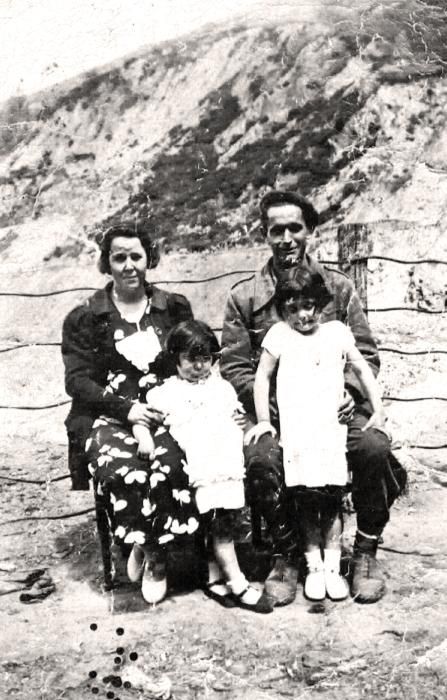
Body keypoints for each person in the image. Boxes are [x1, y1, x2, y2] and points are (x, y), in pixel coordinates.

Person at [220, 189, 407, 606]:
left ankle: (365, 552)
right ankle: (287, 555)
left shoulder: (338, 288)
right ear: (264, 234)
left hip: (335, 411)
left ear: (310, 232)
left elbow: (365, 355)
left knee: (373, 447)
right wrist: (276, 408)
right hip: (275, 413)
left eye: (295, 228)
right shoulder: (244, 297)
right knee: (263, 458)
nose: (286, 239)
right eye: (276, 230)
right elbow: (235, 367)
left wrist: (347, 393)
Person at [62, 222, 200, 605]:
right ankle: (155, 555)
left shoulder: (172, 308)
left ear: (149, 259)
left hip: (166, 408)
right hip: (109, 414)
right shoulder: (86, 316)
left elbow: (190, 358)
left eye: (136, 256)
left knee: (173, 462)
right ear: (106, 263)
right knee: (124, 468)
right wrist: (128, 410)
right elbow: (78, 381)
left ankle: (149, 544)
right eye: (118, 257)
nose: (128, 266)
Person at [245, 272, 387, 601]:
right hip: (298, 431)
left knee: (332, 498)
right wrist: (264, 420)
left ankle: (334, 567)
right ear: (282, 310)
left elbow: (362, 369)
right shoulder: (279, 335)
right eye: (292, 309)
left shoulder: (336, 332)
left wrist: (378, 409)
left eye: (308, 306)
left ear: (320, 304)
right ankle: (313, 566)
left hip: (330, 429)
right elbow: (262, 377)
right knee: (306, 498)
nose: (302, 315)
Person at [134, 320, 272, 613]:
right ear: (175, 359)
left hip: (227, 465)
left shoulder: (222, 388)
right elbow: (142, 420)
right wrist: (144, 437)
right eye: (190, 359)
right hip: (201, 468)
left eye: (205, 359)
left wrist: (245, 425)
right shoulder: (166, 393)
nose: (199, 366)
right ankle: (236, 581)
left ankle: (215, 574)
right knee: (220, 523)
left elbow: (238, 418)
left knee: (225, 520)